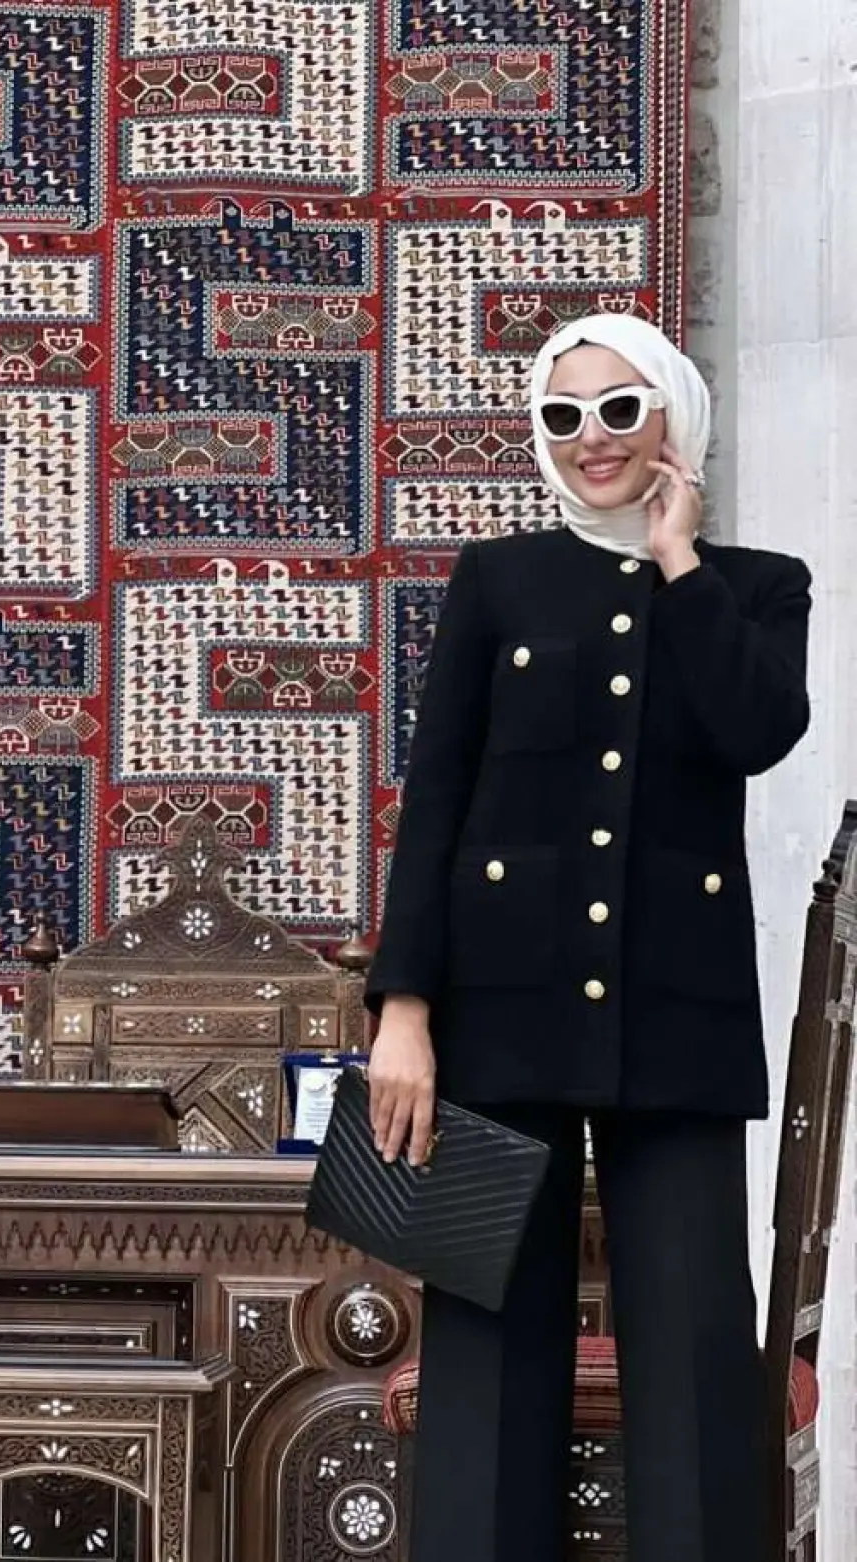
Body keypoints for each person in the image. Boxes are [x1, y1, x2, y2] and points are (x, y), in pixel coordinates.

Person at [363, 312, 811, 1562]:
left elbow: (755, 730)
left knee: (695, 1373)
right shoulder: (495, 578)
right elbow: (436, 799)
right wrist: (403, 1008)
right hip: (492, 1020)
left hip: (677, 1025)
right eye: (562, 415)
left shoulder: (754, 587)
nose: (591, 438)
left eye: (620, 407)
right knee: (482, 1379)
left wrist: (677, 560)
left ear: (672, 413)